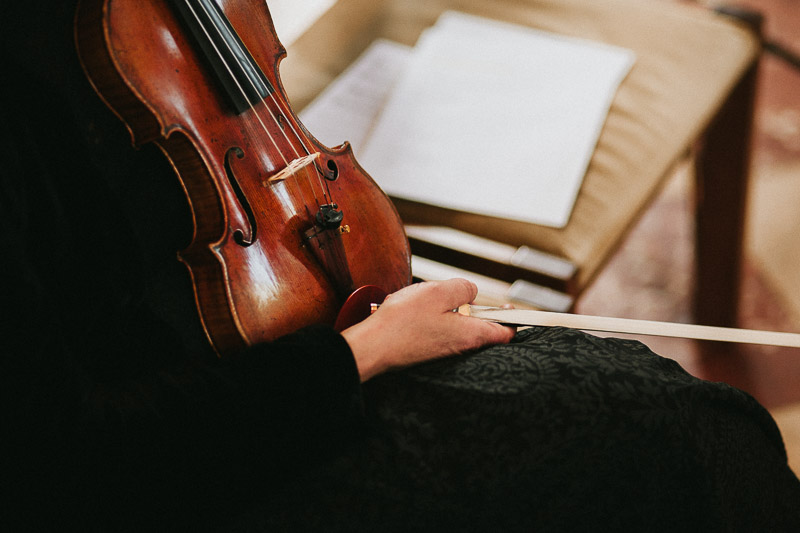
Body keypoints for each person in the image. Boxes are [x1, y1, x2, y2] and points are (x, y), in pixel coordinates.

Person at [3, 1, 799, 531]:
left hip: (257, 342)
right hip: (206, 450)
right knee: (688, 440)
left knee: (676, 409)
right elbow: (67, 462)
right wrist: (368, 352)